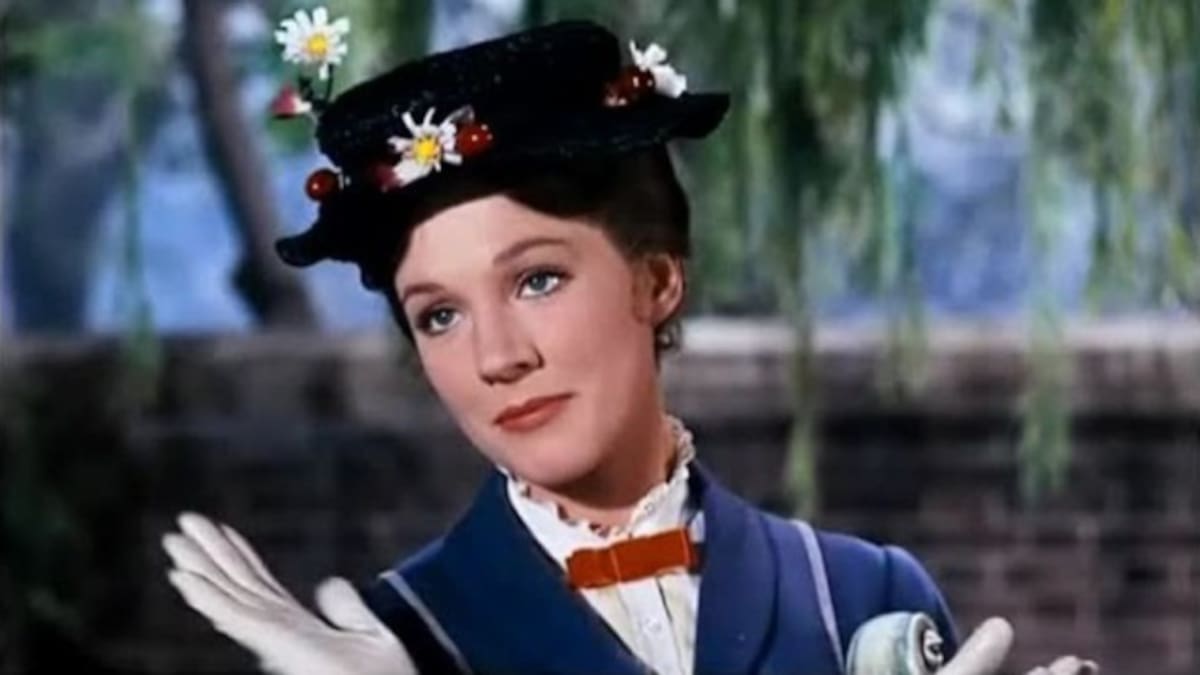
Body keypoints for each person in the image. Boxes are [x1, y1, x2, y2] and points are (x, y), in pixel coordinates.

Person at [161, 12, 1098, 675]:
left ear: (656, 279)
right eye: (438, 314)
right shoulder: (395, 640)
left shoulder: (859, 594)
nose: (496, 355)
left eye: (537, 279)